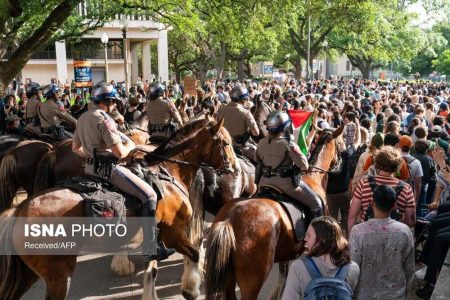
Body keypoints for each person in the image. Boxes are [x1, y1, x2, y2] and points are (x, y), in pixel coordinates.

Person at [72, 83, 174, 262]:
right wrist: (131, 147)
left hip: (89, 169)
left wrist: (91, 155)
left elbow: (75, 148)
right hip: (108, 171)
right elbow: (120, 153)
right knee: (149, 195)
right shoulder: (105, 119)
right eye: (113, 102)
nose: (114, 105)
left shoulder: (82, 117)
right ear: (108, 101)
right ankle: (150, 248)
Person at [349, 185, 415, 299]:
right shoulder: (404, 231)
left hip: (364, 294)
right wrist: (404, 291)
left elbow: (352, 267)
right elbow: (409, 269)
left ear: (372, 203)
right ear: (394, 206)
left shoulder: (358, 232)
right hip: (394, 294)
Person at [255, 111, 323, 217]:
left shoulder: (261, 143)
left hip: (263, 182)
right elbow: (304, 166)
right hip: (286, 185)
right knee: (316, 204)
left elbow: (257, 159)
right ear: (285, 127)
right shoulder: (289, 145)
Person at [282, 216, 360, 300]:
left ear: (320, 241)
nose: (305, 239)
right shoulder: (353, 268)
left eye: (308, 235)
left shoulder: (298, 267)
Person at [348, 146, 416, 232]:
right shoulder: (406, 188)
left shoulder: (364, 183)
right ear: (398, 165)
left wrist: (351, 237)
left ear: (377, 163)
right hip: (393, 238)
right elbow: (411, 221)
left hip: (367, 234)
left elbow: (352, 215)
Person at [217, 84, 260, 160]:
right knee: (261, 157)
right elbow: (256, 133)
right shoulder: (245, 112)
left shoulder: (221, 111)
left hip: (223, 147)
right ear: (244, 99)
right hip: (240, 147)